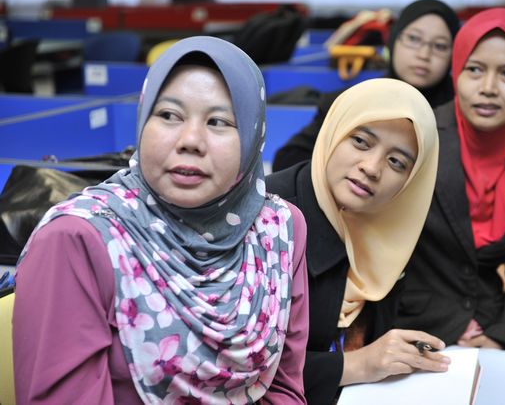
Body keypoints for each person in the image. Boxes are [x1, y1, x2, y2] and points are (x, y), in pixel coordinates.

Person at [12, 36, 309, 404]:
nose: (190, 140)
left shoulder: (278, 230)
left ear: (252, 136)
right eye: (169, 115)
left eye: (218, 121)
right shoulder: (78, 240)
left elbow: (283, 390)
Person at [394, 8, 505, 401]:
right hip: (411, 324)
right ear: (456, 72)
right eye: (474, 70)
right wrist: (454, 328)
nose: (488, 88)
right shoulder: (416, 136)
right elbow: (379, 251)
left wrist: (502, 337)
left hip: (492, 326)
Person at [266, 78, 446, 405]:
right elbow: (238, 368)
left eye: (397, 162)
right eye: (361, 141)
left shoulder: (392, 225)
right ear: (335, 130)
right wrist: (357, 365)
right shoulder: (267, 217)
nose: (372, 168)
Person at [271, 0, 460, 172]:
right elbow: (288, 160)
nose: (424, 54)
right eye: (413, 39)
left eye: (440, 46)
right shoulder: (352, 101)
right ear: (393, 40)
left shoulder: (462, 113)